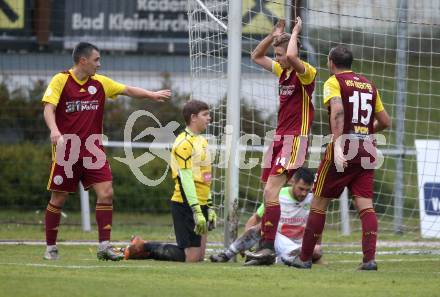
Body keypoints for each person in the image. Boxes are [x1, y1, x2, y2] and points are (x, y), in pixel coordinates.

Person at [42, 42, 171, 261]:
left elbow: (127, 90)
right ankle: (51, 248)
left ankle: (104, 247)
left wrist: (151, 95)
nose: (99, 65)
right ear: (83, 61)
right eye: (96, 60)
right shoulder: (60, 80)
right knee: (59, 199)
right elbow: (48, 108)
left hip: (93, 150)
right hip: (67, 150)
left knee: (107, 193)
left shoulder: (100, 83)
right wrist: (54, 130)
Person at [284, 45, 391, 270]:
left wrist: (339, 144)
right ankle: (369, 260)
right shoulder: (369, 85)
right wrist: (366, 131)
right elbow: (385, 121)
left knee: (319, 202)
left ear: (330, 61)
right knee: (365, 205)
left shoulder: (334, 82)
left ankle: (304, 258)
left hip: (344, 145)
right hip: (368, 147)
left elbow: (337, 111)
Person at [247, 17, 317, 265]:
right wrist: (273, 35)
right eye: (276, 54)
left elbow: (294, 57)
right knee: (268, 193)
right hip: (278, 138)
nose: (277, 58)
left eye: (280, 54)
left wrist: (295, 32)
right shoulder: (282, 71)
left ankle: (268, 247)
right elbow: (255, 56)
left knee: (271, 190)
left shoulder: (306, 73)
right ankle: (270, 246)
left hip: (295, 139)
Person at [124, 100, 216, 262]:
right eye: (205, 114)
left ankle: (142, 247)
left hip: (200, 202)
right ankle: (144, 247)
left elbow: (206, 176)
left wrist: (209, 206)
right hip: (186, 203)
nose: (209, 118)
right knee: (191, 258)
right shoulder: (184, 143)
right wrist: (196, 210)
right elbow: (185, 180)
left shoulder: (202, 141)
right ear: (193, 117)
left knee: (199, 257)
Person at [209, 168, 322, 265]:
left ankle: (265, 258)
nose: (303, 193)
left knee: (316, 251)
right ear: (292, 182)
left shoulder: (313, 200)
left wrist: (317, 245)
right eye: (301, 188)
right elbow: (255, 218)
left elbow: (317, 225)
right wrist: (246, 242)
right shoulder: (278, 194)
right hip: (275, 242)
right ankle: (226, 254)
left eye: (307, 190)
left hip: (298, 248)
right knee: (262, 225)